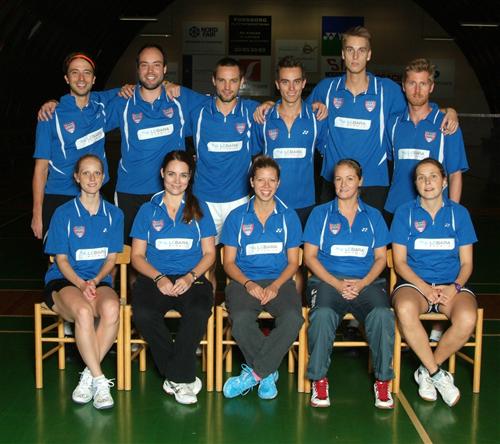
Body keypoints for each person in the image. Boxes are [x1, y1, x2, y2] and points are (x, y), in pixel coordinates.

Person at [307, 26, 458, 209]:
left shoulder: (387, 90)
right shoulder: (326, 88)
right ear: (343, 54)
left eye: (361, 50)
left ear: (369, 55)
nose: (355, 56)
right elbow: (297, 113)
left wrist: (448, 111)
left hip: (373, 183)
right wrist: (303, 107)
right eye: (350, 50)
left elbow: (417, 106)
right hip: (335, 181)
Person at [303, 159, 394, 409]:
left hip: (366, 283)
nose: (343, 184)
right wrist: (337, 283)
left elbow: (380, 258)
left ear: (360, 181)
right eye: (338, 179)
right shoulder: (320, 214)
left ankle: (383, 381)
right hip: (327, 282)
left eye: (349, 179)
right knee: (322, 315)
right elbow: (310, 257)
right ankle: (319, 379)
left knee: (383, 315)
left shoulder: (373, 216)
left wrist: (363, 283)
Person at [130, 150, 216, 405]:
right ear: (162, 174)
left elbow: (210, 254)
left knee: (199, 310)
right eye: (171, 174)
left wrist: (190, 277)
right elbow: (137, 256)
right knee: (143, 314)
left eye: (183, 175)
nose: (177, 181)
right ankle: (183, 377)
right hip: (155, 278)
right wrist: (159, 278)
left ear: (190, 177)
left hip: (191, 277)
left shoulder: (200, 208)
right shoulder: (147, 210)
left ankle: (174, 376)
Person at [391, 158, 478, 407]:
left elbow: (467, 264)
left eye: (432, 176)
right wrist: (424, 287)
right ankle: (438, 374)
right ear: (415, 183)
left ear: (444, 181)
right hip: (415, 285)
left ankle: (426, 370)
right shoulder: (404, 213)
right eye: (421, 177)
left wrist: (455, 287)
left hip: (451, 284)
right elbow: (400, 262)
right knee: (404, 308)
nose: (427, 182)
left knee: (467, 318)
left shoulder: (459, 214)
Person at [43, 154, 124, 410]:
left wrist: (96, 280)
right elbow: (61, 260)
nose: (91, 178)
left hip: (98, 280)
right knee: (83, 312)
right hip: (65, 281)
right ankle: (100, 381)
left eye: (97, 173)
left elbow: (111, 259)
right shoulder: (63, 213)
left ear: (103, 177)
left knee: (112, 308)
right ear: (77, 177)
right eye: (86, 173)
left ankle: (88, 376)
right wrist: (81, 283)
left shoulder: (114, 214)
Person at [220, 156, 304, 400]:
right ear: (252, 182)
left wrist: (276, 286)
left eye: (271, 181)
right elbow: (228, 262)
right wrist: (248, 283)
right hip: (244, 281)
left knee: (293, 319)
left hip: (280, 281)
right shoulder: (237, 216)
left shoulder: (288, 216)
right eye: (260, 180)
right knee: (241, 320)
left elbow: (293, 262)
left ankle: (255, 374)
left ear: (278, 183)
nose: (266, 186)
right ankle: (268, 374)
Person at [32, 52, 117, 241]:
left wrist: (167, 84)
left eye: (87, 73)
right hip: (59, 197)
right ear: (66, 78)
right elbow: (41, 169)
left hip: (93, 197)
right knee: (59, 256)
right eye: (74, 72)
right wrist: (37, 214)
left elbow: (136, 89)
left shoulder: (100, 107)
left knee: (94, 254)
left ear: (94, 79)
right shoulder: (50, 115)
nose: (81, 78)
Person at [385, 58, 469, 215]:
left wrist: (452, 213)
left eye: (423, 84)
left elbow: (455, 174)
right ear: (403, 86)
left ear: (431, 87)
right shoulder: (392, 124)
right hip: (397, 210)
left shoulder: (447, 124)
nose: (417, 90)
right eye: (412, 83)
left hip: (434, 211)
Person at [252, 56, 328, 228]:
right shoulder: (263, 118)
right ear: (277, 84)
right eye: (285, 82)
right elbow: (250, 159)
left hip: (305, 204)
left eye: (296, 82)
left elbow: (330, 155)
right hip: (269, 201)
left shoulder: (317, 118)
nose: (292, 88)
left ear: (304, 83)